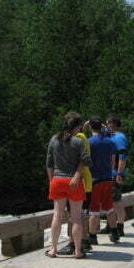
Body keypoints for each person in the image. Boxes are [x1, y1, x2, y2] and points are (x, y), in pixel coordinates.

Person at [46, 111, 91, 258]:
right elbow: (86, 161)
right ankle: (78, 251)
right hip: (74, 181)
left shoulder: (54, 139)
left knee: (57, 216)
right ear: (77, 126)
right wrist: (77, 176)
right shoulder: (78, 141)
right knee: (76, 218)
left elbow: (49, 163)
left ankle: (53, 249)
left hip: (57, 180)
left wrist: (51, 180)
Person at [87, 117, 120, 244]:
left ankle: (92, 237)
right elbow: (113, 163)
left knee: (94, 210)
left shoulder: (89, 142)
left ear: (90, 127)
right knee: (109, 208)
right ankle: (115, 233)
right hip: (108, 178)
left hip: (95, 179)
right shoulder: (110, 142)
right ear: (101, 126)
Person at [103, 114, 129, 238]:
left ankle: (120, 227)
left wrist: (119, 173)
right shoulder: (112, 136)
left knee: (116, 201)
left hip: (115, 174)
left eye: (107, 123)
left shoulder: (119, 138)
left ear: (112, 123)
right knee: (110, 202)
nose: (106, 125)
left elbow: (122, 157)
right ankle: (110, 225)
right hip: (109, 174)